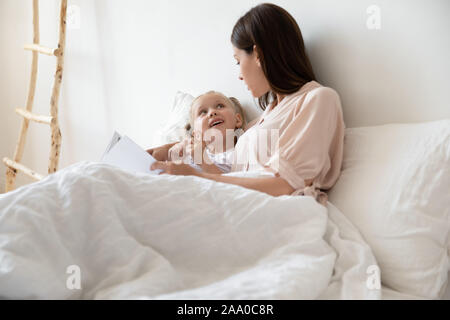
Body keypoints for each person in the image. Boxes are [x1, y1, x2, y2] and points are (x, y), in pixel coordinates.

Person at [148, 3, 345, 205]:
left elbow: (285, 184)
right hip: (234, 204)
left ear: (257, 55)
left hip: (274, 209)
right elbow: (216, 141)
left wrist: (196, 178)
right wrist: (161, 151)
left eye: (237, 61)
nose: (240, 76)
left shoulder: (318, 99)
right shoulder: (263, 119)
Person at [180, 90, 246, 174]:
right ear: (196, 134)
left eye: (220, 106)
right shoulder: (189, 154)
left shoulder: (240, 154)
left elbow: (232, 184)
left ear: (237, 120)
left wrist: (202, 161)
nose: (212, 112)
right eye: (203, 112)